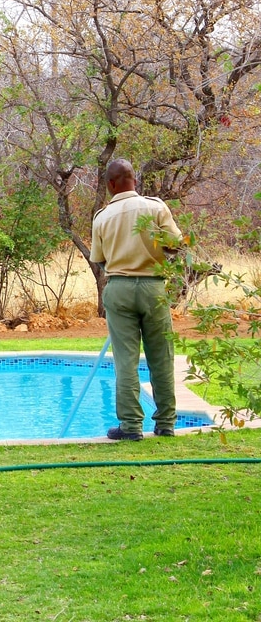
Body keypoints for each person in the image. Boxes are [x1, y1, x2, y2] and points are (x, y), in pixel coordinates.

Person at [90, 158, 183, 441]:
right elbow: (176, 244)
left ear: (111, 184)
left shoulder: (102, 217)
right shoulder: (156, 207)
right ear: (135, 180)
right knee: (161, 356)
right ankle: (165, 422)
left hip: (119, 288)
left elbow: (99, 259)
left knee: (126, 360)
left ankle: (131, 426)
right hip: (154, 288)